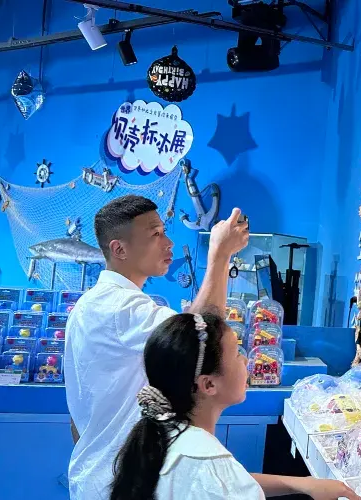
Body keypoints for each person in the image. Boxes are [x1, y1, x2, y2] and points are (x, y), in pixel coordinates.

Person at [65, 195, 250, 499]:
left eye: (164, 231)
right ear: (119, 249)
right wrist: (220, 254)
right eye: (155, 234)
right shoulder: (121, 306)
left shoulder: (91, 304)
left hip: (100, 474)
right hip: (118, 480)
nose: (169, 243)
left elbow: (78, 412)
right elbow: (200, 334)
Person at [110, 312, 361, 500]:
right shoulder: (207, 464)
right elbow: (221, 480)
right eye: (236, 353)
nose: (246, 360)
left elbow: (231, 480)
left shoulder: (165, 434)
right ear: (208, 384)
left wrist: (302, 484)